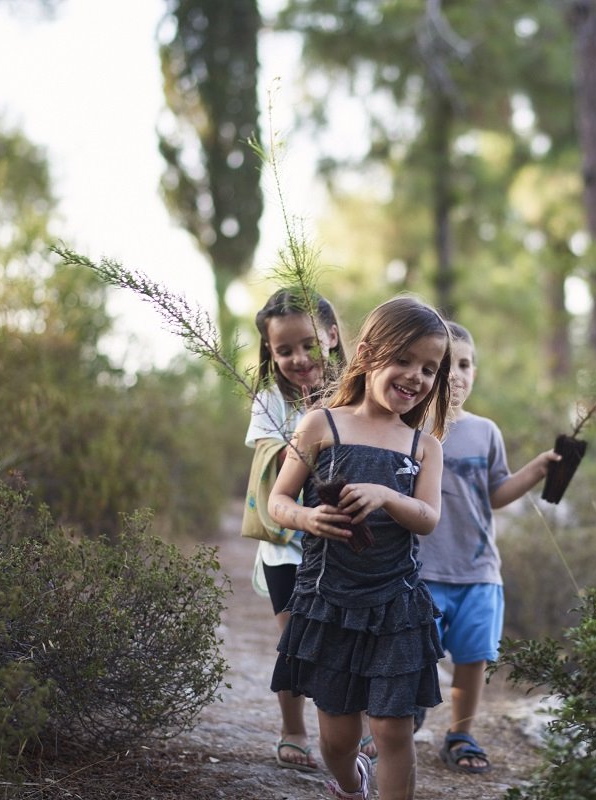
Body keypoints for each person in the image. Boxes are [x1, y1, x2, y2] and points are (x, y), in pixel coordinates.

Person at [267, 295, 452, 800]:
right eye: (405, 360)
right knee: (339, 738)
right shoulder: (321, 425)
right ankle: (351, 787)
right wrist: (307, 516)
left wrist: (389, 496)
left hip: (396, 601)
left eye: (430, 368)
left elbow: (429, 518)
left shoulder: (423, 446)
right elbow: (278, 500)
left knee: (393, 729)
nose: (416, 376)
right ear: (369, 353)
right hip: (331, 601)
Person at [417, 321, 560, 774]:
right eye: (444, 365)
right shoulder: (411, 427)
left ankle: (461, 733)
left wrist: (535, 470)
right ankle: (401, 720)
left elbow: (495, 493)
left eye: (464, 364)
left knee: (473, 658)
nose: (455, 374)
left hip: (478, 570)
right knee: (415, 655)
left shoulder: (485, 432)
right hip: (422, 569)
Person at [247, 288, 380, 771]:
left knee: (350, 637)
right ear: (270, 352)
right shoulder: (268, 400)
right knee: (296, 641)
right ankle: (293, 728)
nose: (298, 358)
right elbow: (267, 458)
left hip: (340, 543)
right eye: (284, 350)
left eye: (307, 344)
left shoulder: (357, 393)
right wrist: (301, 436)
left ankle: (358, 728)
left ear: (331, 336)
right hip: (287, 546)